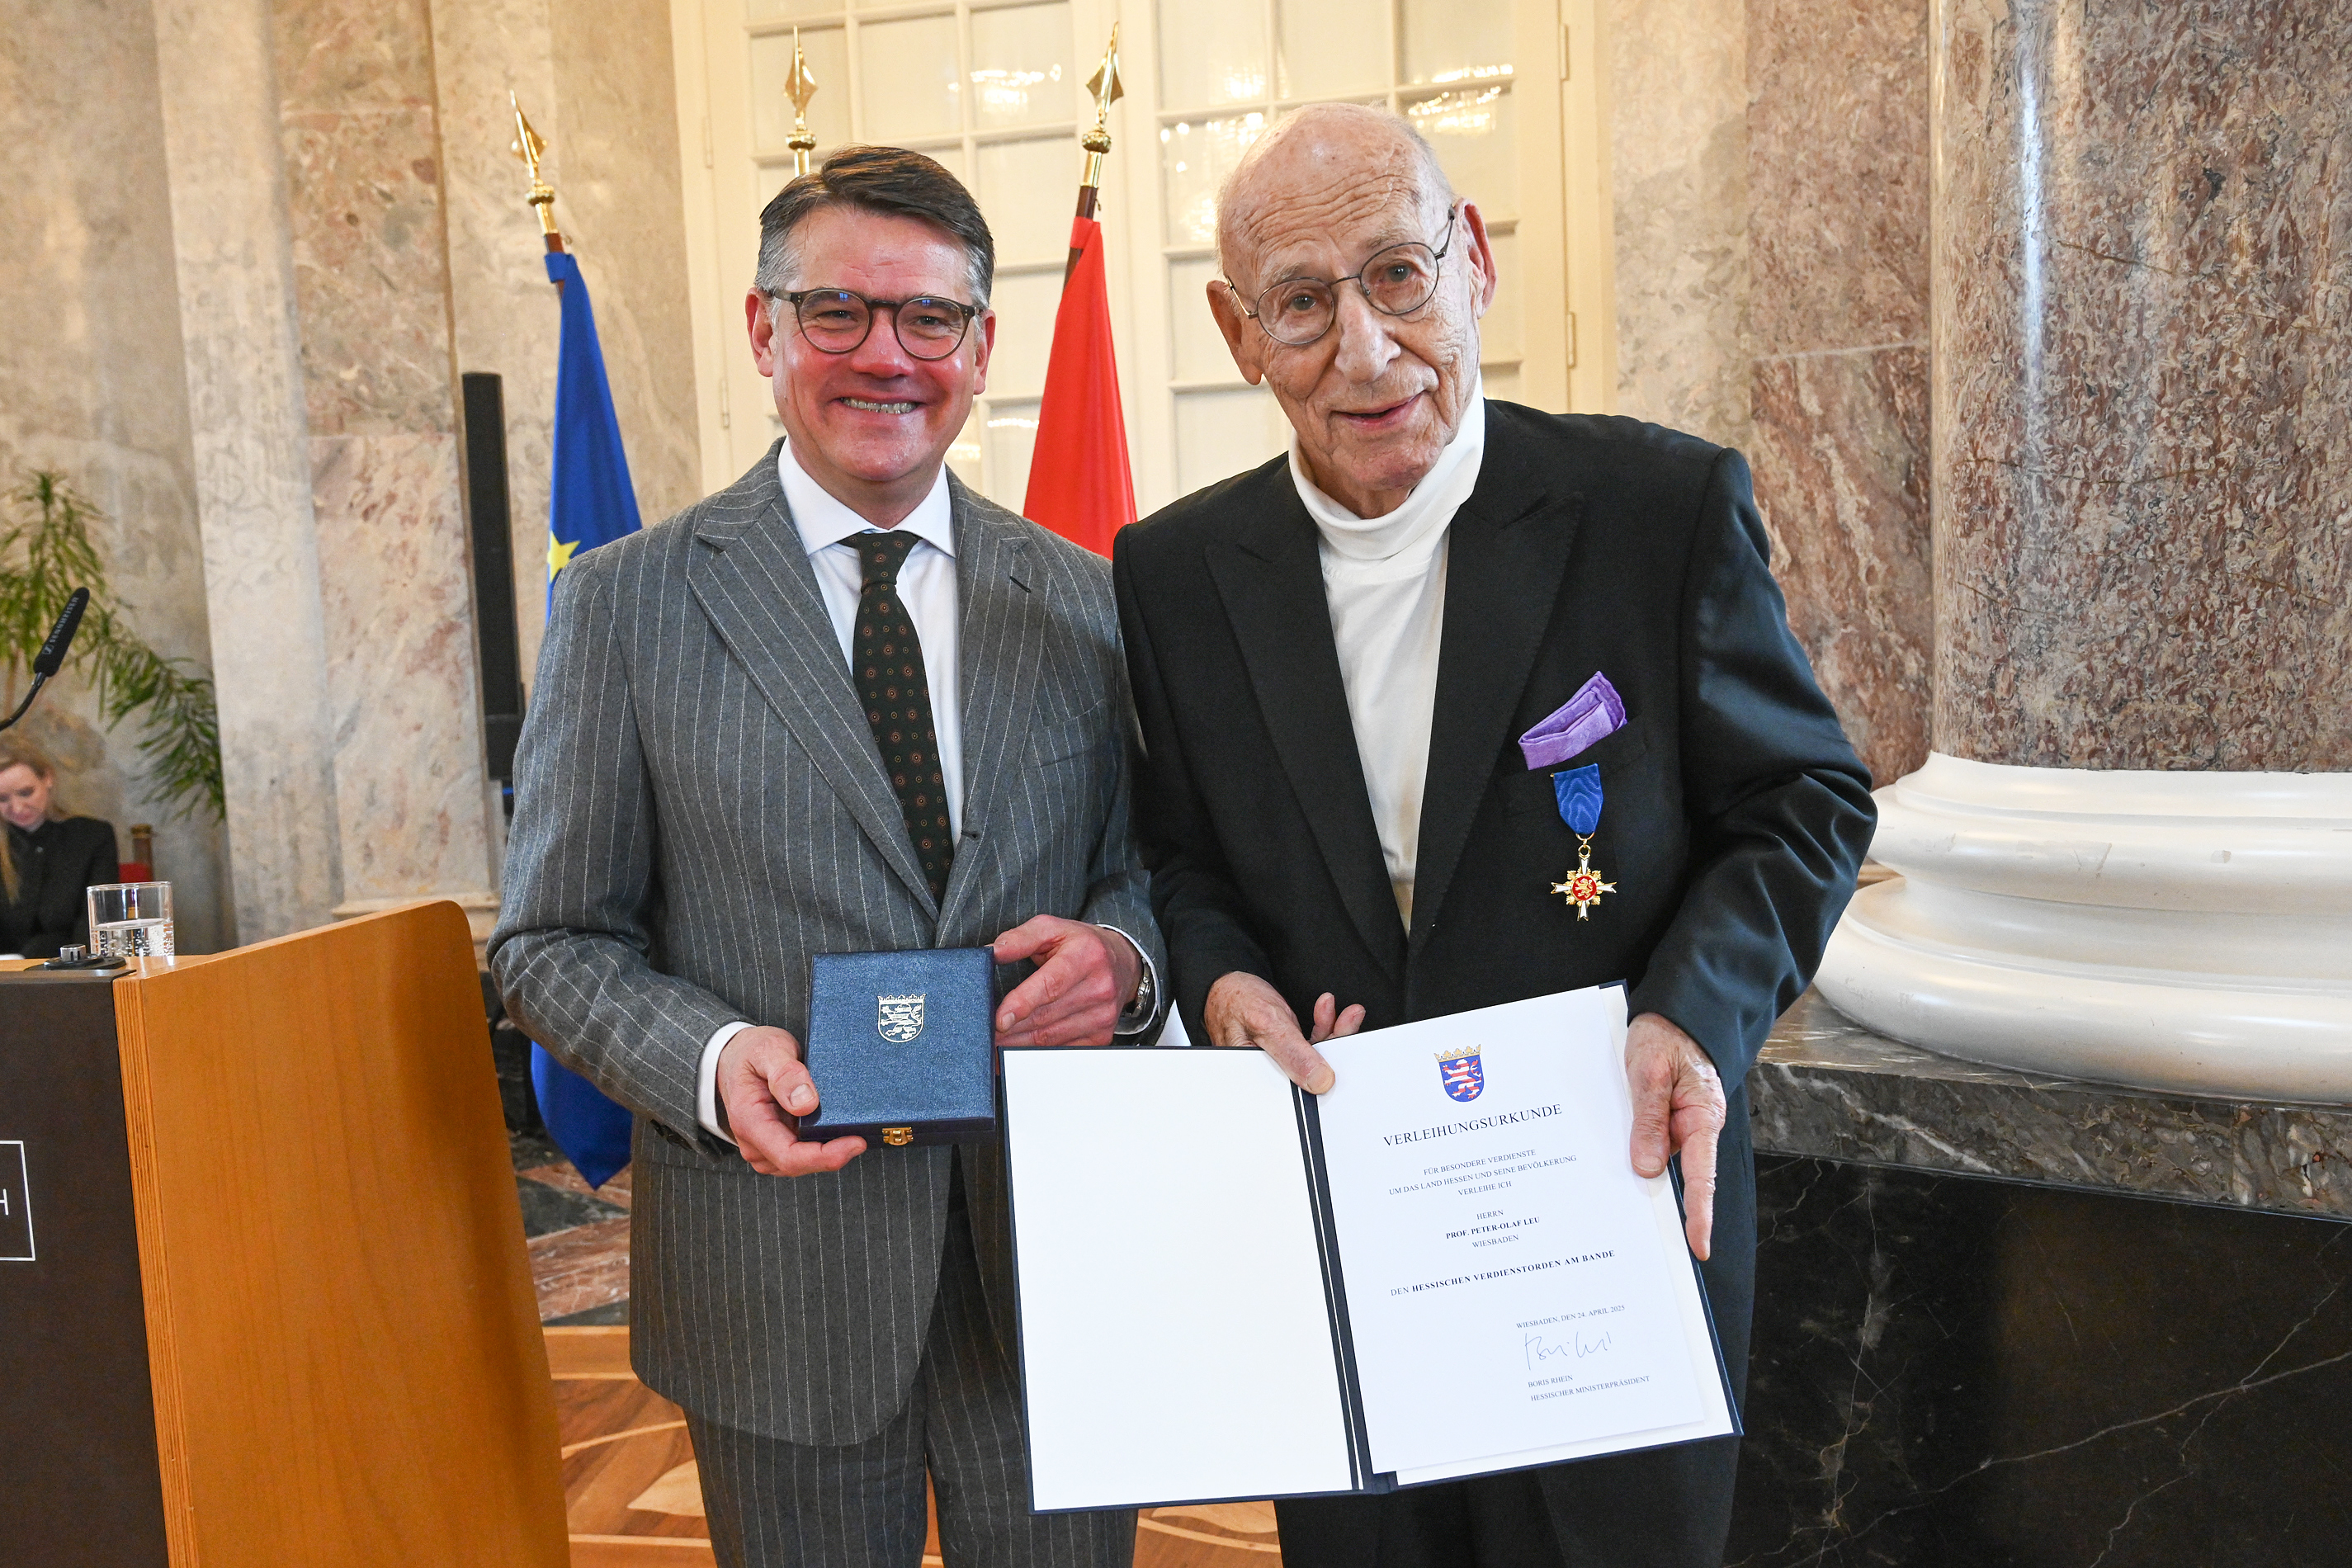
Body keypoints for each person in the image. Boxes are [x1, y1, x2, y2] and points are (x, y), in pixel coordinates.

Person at [1112, 104, 1877, 1567]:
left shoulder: (1655, 508)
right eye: (1301, 303)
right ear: (1237, 332)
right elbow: (1179, 852)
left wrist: (1691, 1016)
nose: (1365, 350)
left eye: (1397, 275)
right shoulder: (1173, 572)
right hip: (1347, 1227)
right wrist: (1219, 979)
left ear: (1471, 260)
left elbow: (1803, 803)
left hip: (1610, 1204)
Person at [491, 146, 1164, 1568]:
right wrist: (711, 1059)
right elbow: (549, 942)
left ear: (981, 347)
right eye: (837, 311)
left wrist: (1125, 960)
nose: (886, 356)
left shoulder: (1092, 600)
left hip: (1053, 1261)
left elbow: (1146, 867)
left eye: (929, 318)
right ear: (764, 329)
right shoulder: (625, 607)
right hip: (778, 1282)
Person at [0, 740, 120, 959]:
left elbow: (96, 927)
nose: (17, 808)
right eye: (2, 799)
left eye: (26, 793)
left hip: (73, 969)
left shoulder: (91, 836)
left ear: (47, 778)